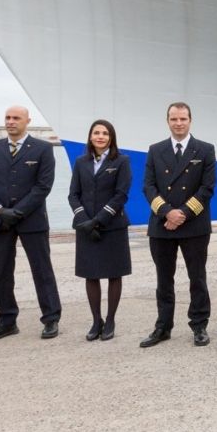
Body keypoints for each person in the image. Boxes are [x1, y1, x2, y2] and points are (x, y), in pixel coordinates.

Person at [0, 105, 60, 340]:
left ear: (27, 121)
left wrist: (18, 211)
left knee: (42, 270)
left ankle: (51, 318)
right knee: (3, 271)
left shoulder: (43, 148)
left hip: (31, 219)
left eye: (16, 118)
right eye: (7, 118)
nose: (11, 122)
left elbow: (43, 186)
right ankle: (6, 320)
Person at [140, 102, 216, 348]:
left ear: (190, 120)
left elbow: (207, 188)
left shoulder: (204, 150)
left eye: (183, 119)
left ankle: (199, 325)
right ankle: (163, 327)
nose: (178, 123)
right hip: (162, 226)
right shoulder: (155, 150)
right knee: (164, 280)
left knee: (197, 278)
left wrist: (182, 213)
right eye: (174, 119)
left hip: (194, 225)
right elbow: (149, 187)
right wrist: (166, 213)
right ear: (168, 121)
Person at [69, 119, 132, 341]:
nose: (100, 137)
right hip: (86, 227)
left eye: (105, 133)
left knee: (114, 274)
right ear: (90, 137)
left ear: (111, 137)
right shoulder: (80, 162)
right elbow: (73, 194)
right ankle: (96, 320)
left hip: (112, 226)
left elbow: (121, 195)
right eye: (96, 132)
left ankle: (111, 319)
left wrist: (98, 221)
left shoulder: (122, 161)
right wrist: (85, 221)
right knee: (91, 274)